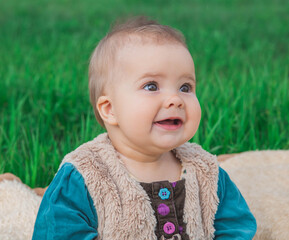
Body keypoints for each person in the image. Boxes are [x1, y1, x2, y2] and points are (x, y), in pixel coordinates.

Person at [32, 16, 257, 240]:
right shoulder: (85, 175)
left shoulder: (205, 171)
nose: (175, 99)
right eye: (151, 86)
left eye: (185, 87)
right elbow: (58, 233)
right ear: (110, 109)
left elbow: (236, 226)